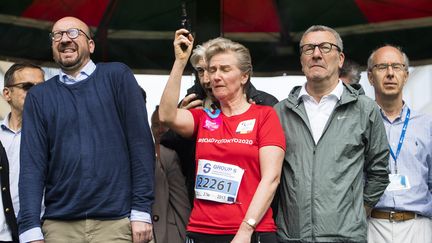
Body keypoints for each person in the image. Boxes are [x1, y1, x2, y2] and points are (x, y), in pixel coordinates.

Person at [17, 17, 155, 243]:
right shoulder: (38, 97)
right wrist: (30, 227)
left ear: (90, 45)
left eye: (73, 33)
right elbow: (32, 166)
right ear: (52, 47)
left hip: (116, 223)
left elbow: (141, 146)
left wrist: (141, 210)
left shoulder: (117, 76)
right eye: (57, 35)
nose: (64, 40)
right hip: (59, 227)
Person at [159, 29, 285, 243]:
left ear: (244, 76)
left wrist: (246, 230)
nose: (215, 76)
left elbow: (271, 178)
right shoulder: (204, 117)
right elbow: (166, 114)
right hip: (201, 230)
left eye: (225, 69)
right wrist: (180, 62)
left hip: (250, 232)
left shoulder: (265, 115)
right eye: (212, 69)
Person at [274, 25, 390, 243]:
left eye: (326, 48)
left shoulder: (365, 109)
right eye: (308, 49)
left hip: (346, 237)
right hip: (291, 237)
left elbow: (379, 172)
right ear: (301, 60)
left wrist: (355, 213)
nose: (316, 54)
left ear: (340, 59)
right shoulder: (280, 112)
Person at [366, 45, 432, 243]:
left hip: (417, 226)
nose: (390, 73)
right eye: (382, 67)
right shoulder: (361, 124)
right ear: (370, 77)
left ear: (406, 75)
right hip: (373, 225)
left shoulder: (426, 125)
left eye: (396, 67)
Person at [0, 63, 44, 243]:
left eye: (41, 88)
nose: (35, 93)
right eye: (27, 87)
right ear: (6, 94)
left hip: (36, 235)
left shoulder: (54, 136)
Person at [151, 106, 191, 243]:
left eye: (165, 125)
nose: (160, 130)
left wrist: (184, 235)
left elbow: (180, 200)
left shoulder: (169, 155)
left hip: (167, 233)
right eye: (156, 125)